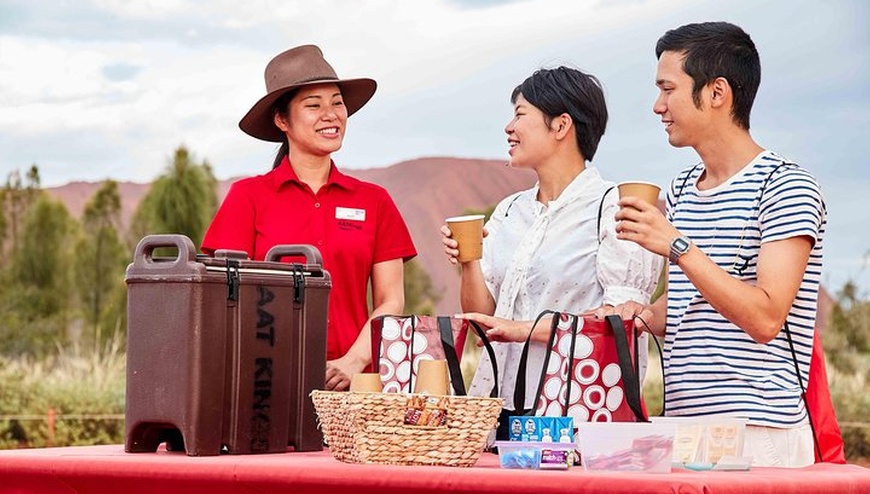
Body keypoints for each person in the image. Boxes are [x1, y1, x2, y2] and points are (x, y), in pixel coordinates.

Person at [603, 22, 826, 467]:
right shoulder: (684, 187)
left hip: (760, 431)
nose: (657, 106)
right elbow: (691, 302)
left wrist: (677, 247)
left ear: (717, 92)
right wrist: (641, 317)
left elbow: (765, 317)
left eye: (668, 89)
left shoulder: (785, 187)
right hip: (685, 426)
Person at [441, 67, 663, 438]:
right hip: (504, 408)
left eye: (520, 114)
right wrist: (469, 261)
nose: (509, 127)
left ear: (561, 126)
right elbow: (485, 318)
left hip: (578, 412)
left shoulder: (614, 208)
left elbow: (619, 326)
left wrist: (521, 331)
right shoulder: (510, 210)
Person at [202, 45, 417, 391]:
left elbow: (391, 300)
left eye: (337, 103)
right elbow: (224, 300)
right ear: (282, 120)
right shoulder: (248, 198)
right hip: (266, 388)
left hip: (355, 387)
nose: (330, 114)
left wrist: (353, 360)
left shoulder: (375, 201)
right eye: (314, 105)